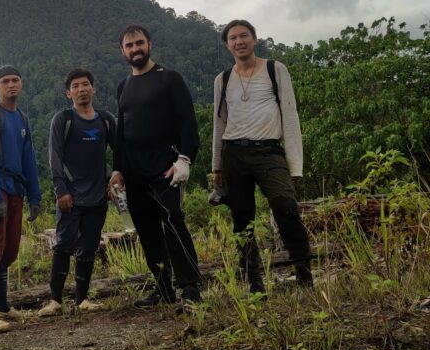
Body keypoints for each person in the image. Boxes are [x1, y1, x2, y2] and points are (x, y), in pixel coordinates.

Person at [212, 20, 313, 291]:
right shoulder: (222, 79)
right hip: (233, 152)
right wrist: (217, 166)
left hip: (268, 151)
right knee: (242, 219)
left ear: (254, 39)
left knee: (285, 207)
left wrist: (295, 165)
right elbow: (219, 124)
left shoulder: (274, 69)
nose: (239, 41)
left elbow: (290, 116)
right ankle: (254, 281)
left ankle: (303, 272)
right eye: (233, 38)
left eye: (244, 36)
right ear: (227, 45)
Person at [109, 24, 202, 307]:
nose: (135, 49)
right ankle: (163, 288)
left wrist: (185, 159)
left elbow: (188, 121)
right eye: (129, 45)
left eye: (139, 43)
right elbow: (121, 131)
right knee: (147, 229)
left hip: (166, 167)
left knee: (174, 223)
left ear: (149, 44)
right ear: (122, 50)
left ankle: (190, 288)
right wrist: (117, 169)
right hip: (134, 172)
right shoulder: (123, 86)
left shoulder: (169, 79)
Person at [38, 68, 116, 316]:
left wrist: (114, 176)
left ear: (93, 89)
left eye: (85, 85)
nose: (81, 89)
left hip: (98, 196)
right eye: (76, 86)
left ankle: (82, 299)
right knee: (64, 245)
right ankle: (55, 301)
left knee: (90, 247)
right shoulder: (63, 119)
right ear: (68, 93)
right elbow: (55, 157)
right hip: (70, 196)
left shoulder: (105, 120)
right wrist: (60, 190)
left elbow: (120, 151)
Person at [0, 65, 42, 332]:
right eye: (5, 81)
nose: (11, 85)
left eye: (15, 80)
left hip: (16, 189)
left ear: (21, 84)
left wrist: (34, 196)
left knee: (8, 251)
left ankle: (1, 307)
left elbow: (29, 159)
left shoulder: (22, 118)